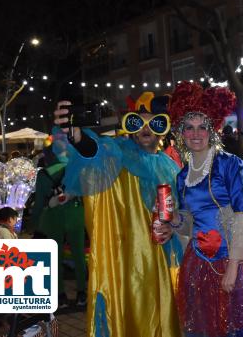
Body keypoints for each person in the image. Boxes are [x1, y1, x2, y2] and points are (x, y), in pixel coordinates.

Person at [166, 81, 243, 337]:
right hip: (201, 260)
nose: (196, 133)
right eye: (189, 128)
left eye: (203, 127)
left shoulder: (231, 165)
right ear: (181, 132)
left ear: (213, 129)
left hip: (239, 258)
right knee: (211, 326)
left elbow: (242, 218)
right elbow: (191, 221)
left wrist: (233, 268)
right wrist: (174, 222)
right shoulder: (182, 176)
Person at [53, 91, 183, 337]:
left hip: (162, 261)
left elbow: (182, 212)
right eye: (137, 121)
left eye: (155, 122)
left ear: (164, 129)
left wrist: (175, 225)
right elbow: (94, 152)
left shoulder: (171, 166)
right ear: (130, 128)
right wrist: (78, 137)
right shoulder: (117, 154)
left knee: (163, 316)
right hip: (125, 260)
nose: (146, 128)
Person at [31, 145, 87, 308]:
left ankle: (60, 296)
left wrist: (34, 222)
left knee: (55, 257)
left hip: (52, 217)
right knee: (78, 255)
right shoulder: (75, 171)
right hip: (76, 214)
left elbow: (40, 202)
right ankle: (82, 294)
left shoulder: (43, 174)